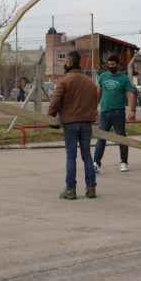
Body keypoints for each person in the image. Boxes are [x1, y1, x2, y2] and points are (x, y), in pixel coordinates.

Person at [47, 51, 98, 199]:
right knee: (87, 155)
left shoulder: (64, 80)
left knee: (71, 157)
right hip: (86, 123)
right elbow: (94, 101)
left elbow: (55, 101)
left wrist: (51, 118)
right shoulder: (89, 82)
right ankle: (91, 188)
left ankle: (71, 189)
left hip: (70, 123)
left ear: (69, 62)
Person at [93, 55, 136, 173]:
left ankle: (124, 162)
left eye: (113, 64)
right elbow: (99, 91)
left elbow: (131, 94)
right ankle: (96, 163)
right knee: (101, 138)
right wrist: (94, 107)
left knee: (121, 137)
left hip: (118, 112)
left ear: (118, 64)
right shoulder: (103, 76)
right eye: (109, 64)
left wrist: (132, 110)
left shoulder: (124, 78)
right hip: (105, 112)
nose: (111, 66)